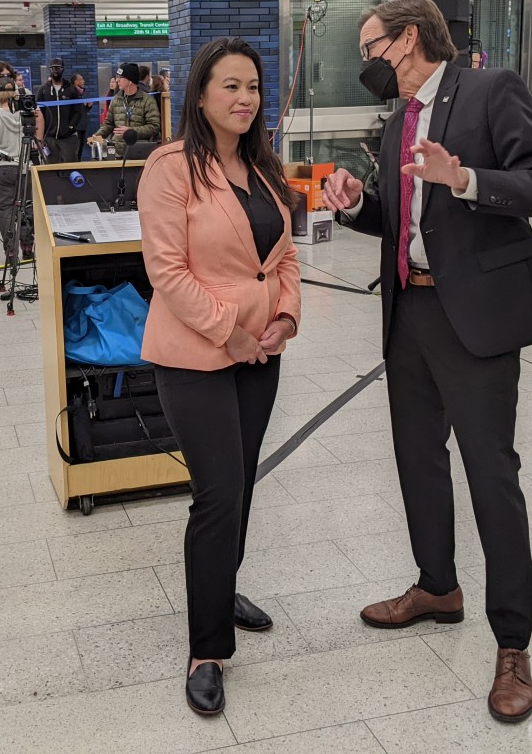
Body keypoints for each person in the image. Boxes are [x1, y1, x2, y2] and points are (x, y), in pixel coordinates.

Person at [321, 0, 532, 725]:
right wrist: (358, 203)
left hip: (477, 318)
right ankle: (436, 586)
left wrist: (465, 180)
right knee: (416, 458)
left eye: (372, 46)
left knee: (492, 475)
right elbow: (402, 221)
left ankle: (512, 642)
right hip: (410, 311)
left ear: (411, 38)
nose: (367, 62)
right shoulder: (397, 121)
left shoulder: (492, 90)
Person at [138, 37, 301, 717]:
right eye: (229, 86)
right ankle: (207, 648)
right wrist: (227, 330)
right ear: (200, 94)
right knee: (218, 492)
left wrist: (284, 319)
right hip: (196, 355)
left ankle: (219, 584)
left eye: (253, 87)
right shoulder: (171, 167)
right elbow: (167, 270)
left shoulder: (264, 168)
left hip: (260, 353)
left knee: (241, 482)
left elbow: (282, 259)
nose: (244, 99)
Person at [0, 77, 36, 279]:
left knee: (5, 210)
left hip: (2, 170)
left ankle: (11, 251)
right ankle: (27, 247)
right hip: (24, 167)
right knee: (27, 207)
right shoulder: (26, 116)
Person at [89, 63, 161, 157]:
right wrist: (97, 136)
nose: (117, 80)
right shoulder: (115, 99)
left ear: (130, 80)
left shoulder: (148, 100)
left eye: (120, 77)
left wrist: (131, 131)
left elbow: (154, 127)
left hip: (139, 152)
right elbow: (108, 124)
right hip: (117, 152)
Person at [36, 58, 84, 164]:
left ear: (63, 69)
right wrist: (41, 134)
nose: (56, 71)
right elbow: (39, 113)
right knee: (52, 168)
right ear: (50, 70)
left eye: (58, 68)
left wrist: (71, 126)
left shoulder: (72, 89)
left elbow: (78, 111)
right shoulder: (43, 90)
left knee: (72, 166)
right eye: (53, 68)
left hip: (68, 137)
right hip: (49, 137)